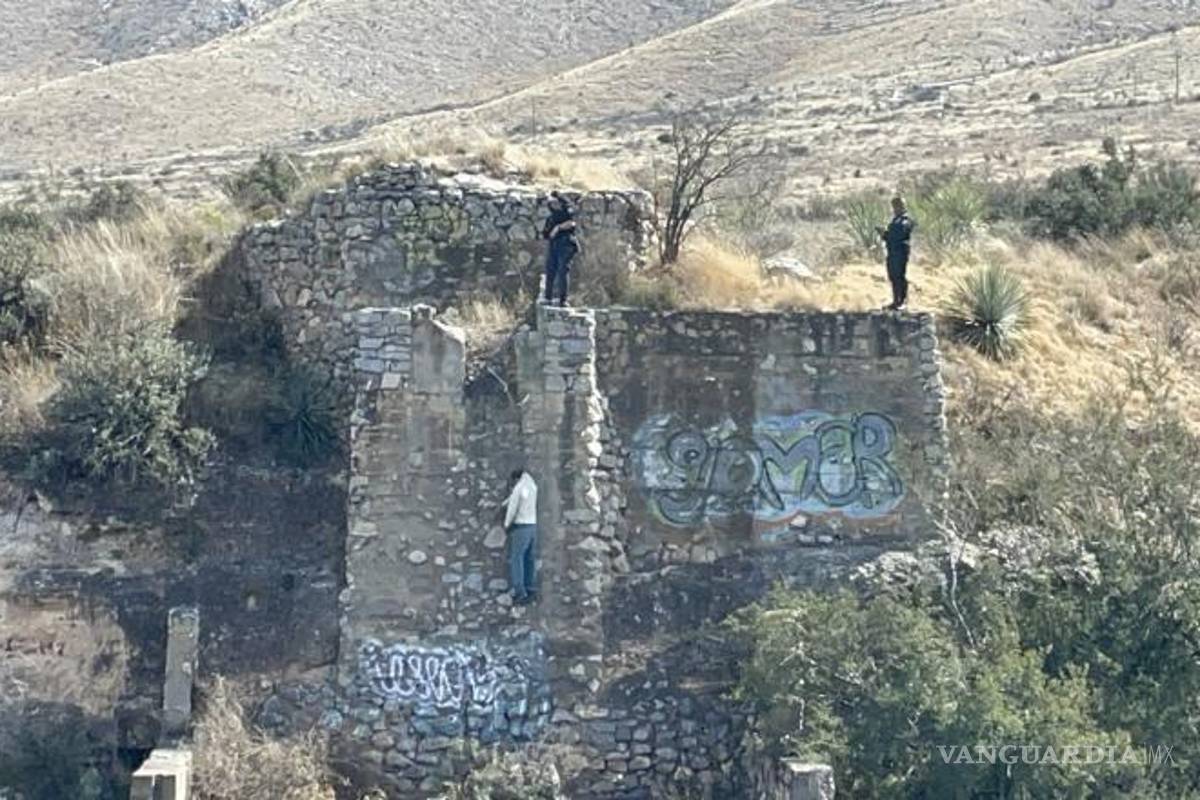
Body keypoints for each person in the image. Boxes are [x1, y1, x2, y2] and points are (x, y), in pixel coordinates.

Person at [502, 468, 539, 605]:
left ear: (516, 479)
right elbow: (520, 498)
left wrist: (507, 524)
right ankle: (530, 588)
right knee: (529, 558)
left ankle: (520, 591)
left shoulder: (519, 488)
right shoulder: (532, 486)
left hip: (521, 527)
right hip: (532, 526)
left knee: (517, 558)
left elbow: (513, 507)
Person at [541, 191, 580, 307]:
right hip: (554, 245)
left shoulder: (566, 211)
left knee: (563, 271)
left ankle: (563, 300)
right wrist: (550, 233)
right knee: (550, 270)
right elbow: (546, 234)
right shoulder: (550, 217)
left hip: (566, 243)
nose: (551, 203)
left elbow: (571, 223)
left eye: (553, 201)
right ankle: (548, 298)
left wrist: (558, 228)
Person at [876, 196, 914, 310]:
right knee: (893, 276)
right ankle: (896, 301)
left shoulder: (905, 220)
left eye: (897, 206)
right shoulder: (895, 220)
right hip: (892, 251)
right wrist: (884, 234)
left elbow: (900, 235)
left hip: (900, 252)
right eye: (894, 206)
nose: (895, 209)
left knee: (899, 276)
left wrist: (886, 234)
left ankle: (903, 301)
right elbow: (890, 237)